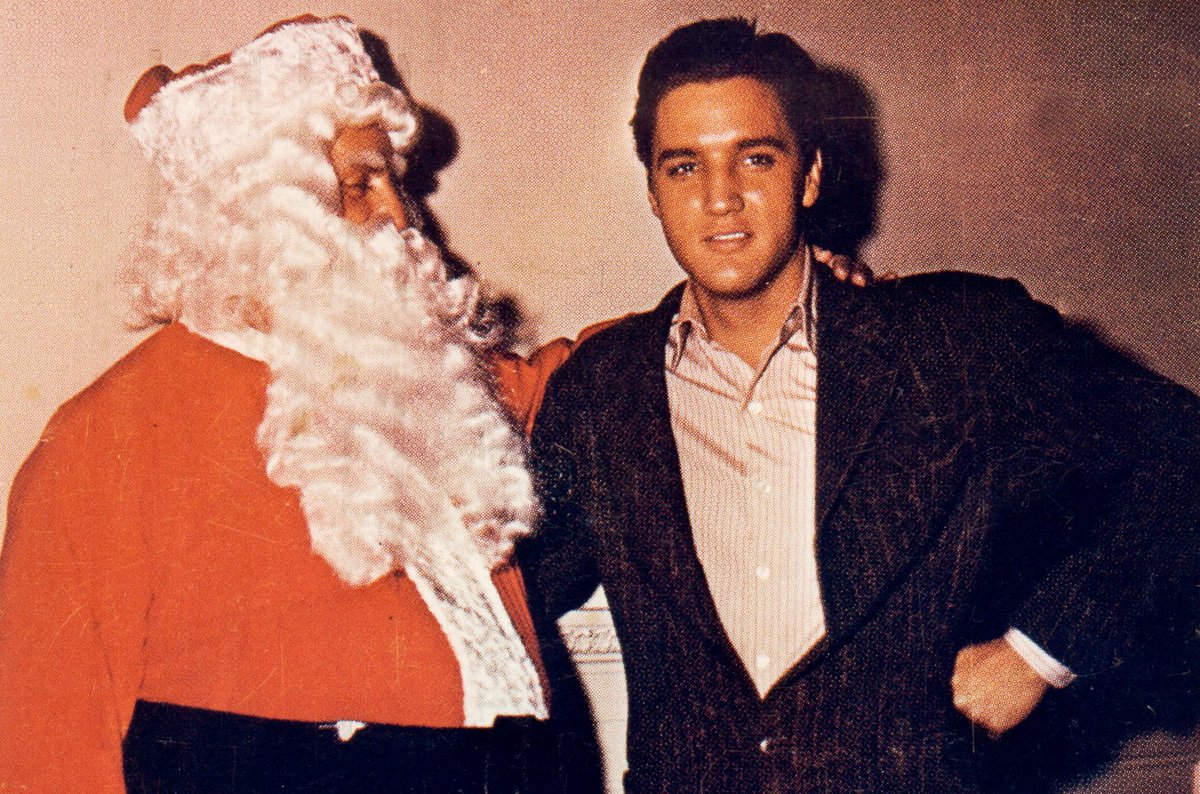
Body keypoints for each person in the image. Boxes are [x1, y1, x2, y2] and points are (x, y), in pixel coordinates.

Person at [522, 17, 1200, 793]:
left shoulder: (955, 342)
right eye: (684, 167)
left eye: (755, 157)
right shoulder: (600, 388)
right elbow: (510, 585)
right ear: (652, 191)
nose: (720, 198)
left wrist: (1039, 653)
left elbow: (1182, 457)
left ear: (809, 175)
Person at [0, 16, 579, 792]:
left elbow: (592, 373)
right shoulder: (102, 445)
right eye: (360, 186)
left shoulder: (438, 385)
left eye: (397, 182)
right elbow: (47, 760)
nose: (400, 217)